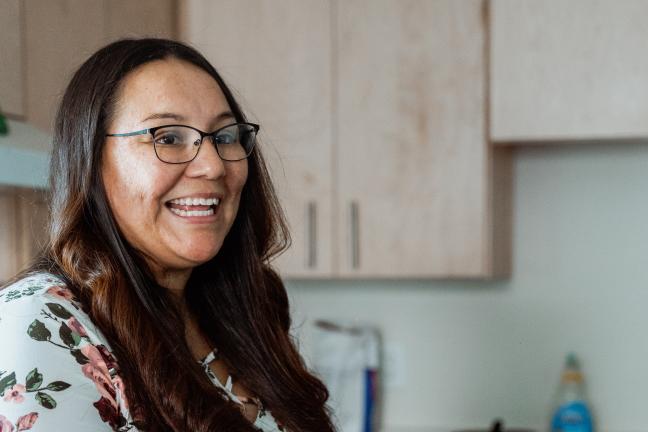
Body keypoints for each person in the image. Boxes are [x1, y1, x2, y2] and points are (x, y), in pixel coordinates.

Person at [0, 38, 336, 432]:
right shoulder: (40, 324)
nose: (212, 166)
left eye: (225, 136)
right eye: (168, 138)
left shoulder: (242, 308)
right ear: (90, 162)